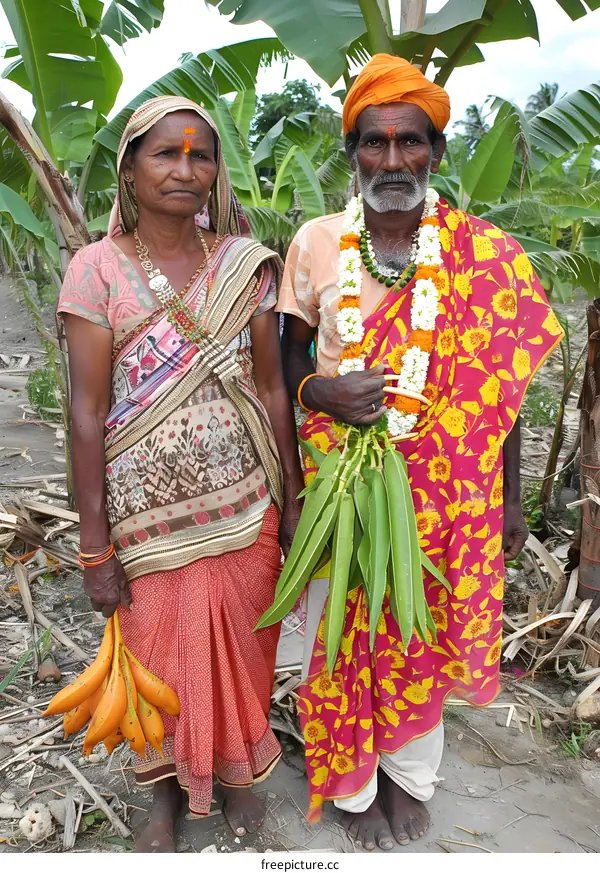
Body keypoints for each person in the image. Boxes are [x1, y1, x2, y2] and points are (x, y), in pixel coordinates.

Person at [276, 55, 564, 851]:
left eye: (411, 142)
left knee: (422, 629)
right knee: (337, 632)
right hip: (344, 484)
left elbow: (500, 396)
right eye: (375, 142)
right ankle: (352, 781)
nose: (393, 160)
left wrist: (508, 501)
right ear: (352, 153)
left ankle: (407, 775)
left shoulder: (485, 256)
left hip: (449, 495)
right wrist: (318, 394)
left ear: (436, 153)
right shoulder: (317, 243)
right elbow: (286, 358)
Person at [57, 96, 304, 852]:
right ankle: (161, 794)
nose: (185, 169)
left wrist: (290, 500)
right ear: (130, 169)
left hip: (242, 509)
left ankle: (236, 777)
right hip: (144, 524)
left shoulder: (243, 264)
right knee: (154, 657)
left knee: (243, 648)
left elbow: (270, 388)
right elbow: (86, 413)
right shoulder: (96, 270)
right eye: (166, 153)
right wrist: (95, 547)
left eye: (200, 155)